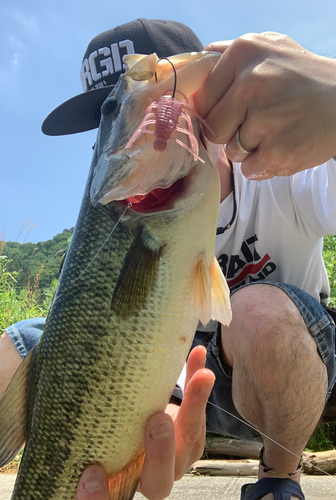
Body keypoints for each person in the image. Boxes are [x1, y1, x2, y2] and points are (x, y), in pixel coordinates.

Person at [1, 18, 336, 500]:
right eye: (108, 121)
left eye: (122, 105)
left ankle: (279, 481)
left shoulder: (284, 167)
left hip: (285, 383)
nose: (123, 129)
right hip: (172, 380)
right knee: (20, 343)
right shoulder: (110, 225)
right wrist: (170, 400)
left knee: (256, 311)